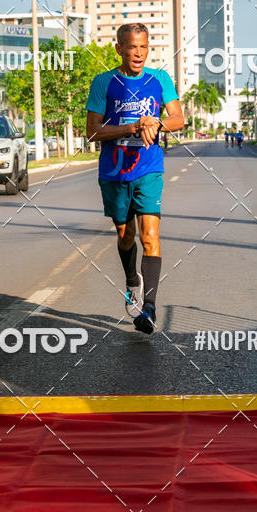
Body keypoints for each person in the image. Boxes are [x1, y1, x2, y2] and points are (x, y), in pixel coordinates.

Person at [86, 23, 184, 335]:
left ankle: (150, 308)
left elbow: (178, 118)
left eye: (143, 46)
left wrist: (156, 123)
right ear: (119, 48)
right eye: (131, 47)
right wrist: (131, 128)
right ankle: (132, 280)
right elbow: (93, 131)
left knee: (150, 236)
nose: (138, 53)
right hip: (114, 173)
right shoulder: (104, 83)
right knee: (126, 235)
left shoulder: (160, 79)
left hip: (148, 168)